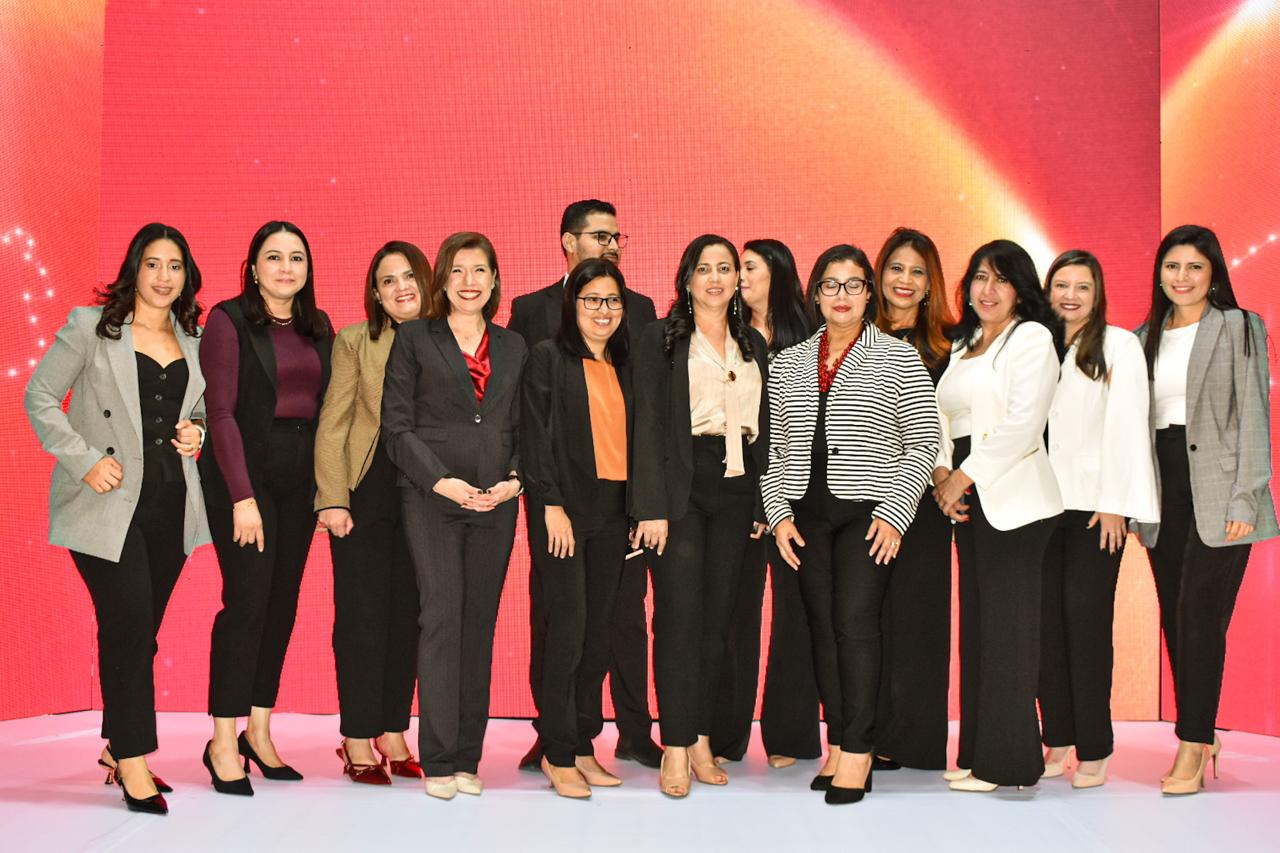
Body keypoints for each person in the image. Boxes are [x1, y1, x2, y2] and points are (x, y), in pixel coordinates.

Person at [25, 223, 209, 815]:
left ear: (186, 276)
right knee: (129, 625)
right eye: (153, 264)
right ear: (134, 268)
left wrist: (197, 431)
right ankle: (132, 758)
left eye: (174, 266)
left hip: (172, 503)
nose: (163, 277)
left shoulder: (195, 337)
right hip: (107, 505)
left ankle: (116, 745)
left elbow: (206, 408)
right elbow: (40, 396)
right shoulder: (91, 327)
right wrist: (84, 461)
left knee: (140, 632)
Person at [764, 244, 940, 805]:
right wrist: (778, 514)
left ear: (868, 293)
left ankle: (861, 749)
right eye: (831, 285)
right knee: (821, 626)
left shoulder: (898, 356)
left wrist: (896, 513)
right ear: (816, 294)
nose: (842, 295)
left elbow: (923, 441)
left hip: (868, 514)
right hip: (806, 515)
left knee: (855, 625)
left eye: (854, 284)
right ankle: (838, 740)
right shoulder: (787, 362)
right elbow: (774, 451)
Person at [509, 199, 662, 771]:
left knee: (614, 622)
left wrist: (645, 503)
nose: (612, 245)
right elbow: (524, 416)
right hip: (560, 502)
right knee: (559, 622)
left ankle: (617, 732)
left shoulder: (639, 316)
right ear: (568, 241)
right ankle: (557, 737)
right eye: (600, 235)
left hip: (618, 507)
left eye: (618, 236)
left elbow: (647, 418)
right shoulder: (533, 316)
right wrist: (541, 497)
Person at [381, 231, 527, 800]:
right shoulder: (415, 338)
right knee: (442, 618)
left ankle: (469, 756)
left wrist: (514, 479)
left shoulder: (514, 346)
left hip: (496, 502)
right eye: (458, 270)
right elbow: (397, 426)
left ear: (494, 280)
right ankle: (439, 757)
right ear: (442, 280)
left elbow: (527, 424)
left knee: (478, 625)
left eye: (480, 270)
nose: (470, 281)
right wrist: (441, 481)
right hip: (433, 499)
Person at [1133, 225, 1277, 795]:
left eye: (1195, 266)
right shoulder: (1142, 337)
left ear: (1213, 271)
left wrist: (1247, 495)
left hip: (1222, 489)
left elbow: (1255, 415)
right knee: (1176, 615)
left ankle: (1192, 741)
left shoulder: (1239, 326)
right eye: (1172, 266)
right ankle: (1201, 731)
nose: (1182, 277)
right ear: (1159, 273)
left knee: (1199, 612)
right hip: (1162, 486)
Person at [631, 234, 769, 797]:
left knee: (717, 623)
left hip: (736, 488)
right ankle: (675, 743)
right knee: (678, 619)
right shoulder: (659, 339)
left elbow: (767, 427)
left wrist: (762, 501)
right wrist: (651, 507)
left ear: (738, 279)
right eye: (704, 268)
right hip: (680, 488)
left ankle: (703, 739)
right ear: (686, 278)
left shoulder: (753, 342)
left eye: (725, 268)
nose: (715, 278)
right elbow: (645, 425)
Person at [200, 221, 333, 795]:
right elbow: (220, 413)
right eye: (273, 257)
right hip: (244, 475)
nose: (285, 267)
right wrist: (242, 497)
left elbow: (326, 410)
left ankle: (258, 730)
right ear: (253, 267)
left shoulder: (318, 326)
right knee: (247, 604)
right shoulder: (228, 320)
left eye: (296, 257)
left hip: (298, 480)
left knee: (281, 605)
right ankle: (222, 739)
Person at [932, 239, 1064, 792]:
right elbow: (941, 415)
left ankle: (1007, 765)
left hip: (1014, 498)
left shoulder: (1031, 338)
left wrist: (962, 477)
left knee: (1009, 633)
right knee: (981, 629)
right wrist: (942, 471)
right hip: (968, 492)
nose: (989, 289)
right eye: (981, 277)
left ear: (1020, 290)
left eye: (1002, 279)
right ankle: (978, 754)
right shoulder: (963, 344)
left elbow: (1023, 425)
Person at [1037, 250, 1159, 789]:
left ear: (1097, 293)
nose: (1070, 296)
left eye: (1082, 287)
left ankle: (1095, 744)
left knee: (1084, 624)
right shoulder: (1035, 344)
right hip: (1038, 506)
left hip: (1094, 509)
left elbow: (1129, 426)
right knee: (1044, 626)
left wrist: (1115, 503)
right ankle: (1058, 736)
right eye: (1061, 285)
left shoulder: (1119, 345)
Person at [314, 241, 430, 784]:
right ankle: (357, 736)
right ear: (376, 295)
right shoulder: (355, 340)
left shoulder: (450, 338)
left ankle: (393, 730)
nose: (401, 287)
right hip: (366, 490)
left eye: (408, 276)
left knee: (409, 617)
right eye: (388, 280)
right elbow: (334, 421)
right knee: (362, 618)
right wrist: (333, 498)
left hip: (427, 495)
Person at [521, 257, 636, 798]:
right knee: (565, 633)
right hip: (564, 514)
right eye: (592, 300)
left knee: (596, 636)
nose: (603, 310)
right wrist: (550, 504)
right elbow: (534, 436)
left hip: (612, 515)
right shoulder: (548, 358)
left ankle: (584, 743)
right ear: (573, 305)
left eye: (612, 300)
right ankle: (557, 751)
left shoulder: (624, 363)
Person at [711, 238, 819, 769]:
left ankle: (790, 736)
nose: (739, 277)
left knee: (798, 614)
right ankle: (723, 736)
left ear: (777, 273)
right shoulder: (725, 333)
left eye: (748, 267)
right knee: (735, 613)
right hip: (741, 494)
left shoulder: (812, 336)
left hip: (803, 494)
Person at [868, 227, 955, 771]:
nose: (905, 280)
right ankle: (867, 736)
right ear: (879, 275)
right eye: (896, 268)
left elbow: (950, 421)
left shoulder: (952, 345)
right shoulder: (855, 335)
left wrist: (947, 474)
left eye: (918, 272)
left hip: (924, 499)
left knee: (919, 620)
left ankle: (918, 743)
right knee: (868, 618)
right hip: (864, 497)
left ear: (930, 284)